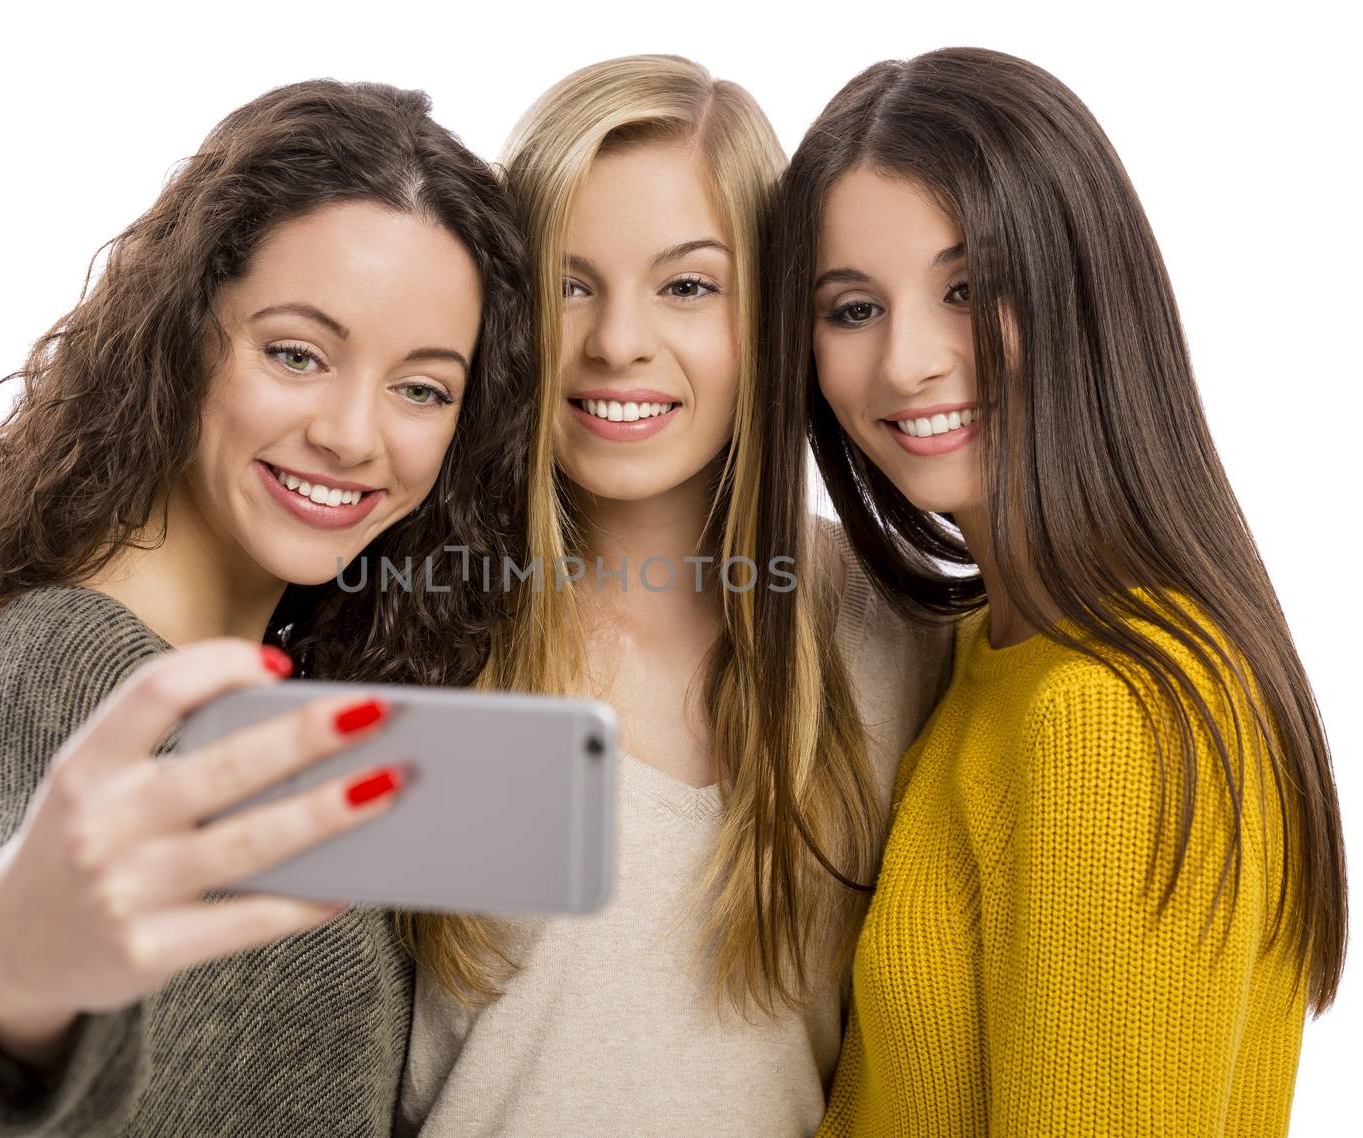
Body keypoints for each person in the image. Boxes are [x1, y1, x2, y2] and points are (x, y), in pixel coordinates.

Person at [0, 79, 535, 1137]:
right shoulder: (70, 669)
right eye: (297, 353)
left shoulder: (262, 678)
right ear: (186, 331)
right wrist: (13, 995)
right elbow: (42, 1073)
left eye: (422, 388)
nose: (350, 433)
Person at [765, 46, 1348, 1136]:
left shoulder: (1107, 714)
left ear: (1085, 287)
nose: (907, 363)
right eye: (851, 309)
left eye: (968, 290)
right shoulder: (995, 652)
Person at [396, 55, 950, 1136]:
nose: (616, 341)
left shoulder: (901, 638)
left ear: (772, 316)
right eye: (569, 282)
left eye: (687, 285)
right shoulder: (417, 625)